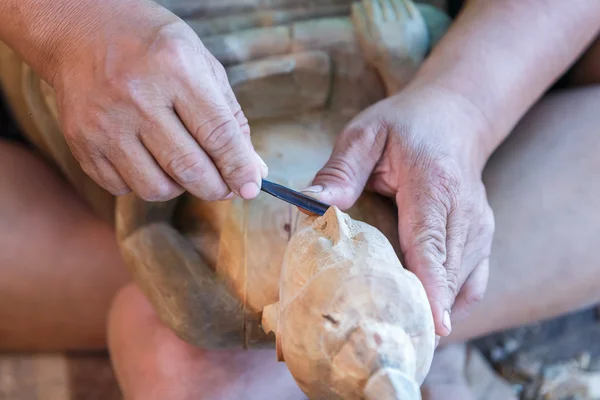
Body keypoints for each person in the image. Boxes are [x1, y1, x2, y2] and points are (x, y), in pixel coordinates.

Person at [0, 0, 599, 399]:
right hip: (99, 98)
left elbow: (143, 226)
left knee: (188, 325)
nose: (336, 231)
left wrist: (464, 103)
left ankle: (224, 358)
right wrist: (66, 24)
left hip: (436, 80)